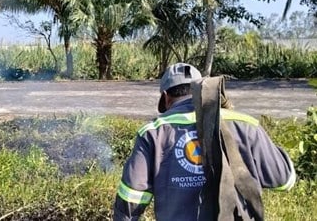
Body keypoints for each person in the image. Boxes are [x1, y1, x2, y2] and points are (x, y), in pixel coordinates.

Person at [112, 62, 296, 220]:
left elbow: (131, 199)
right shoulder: (246, 125)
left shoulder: (153, 132)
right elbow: (285, 180)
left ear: (166, 97)